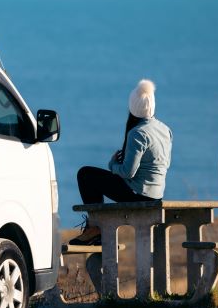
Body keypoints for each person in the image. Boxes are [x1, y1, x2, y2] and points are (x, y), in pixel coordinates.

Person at [71, 79, 173, 246]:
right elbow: (165, 163)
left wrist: (112, 165)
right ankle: (95, 228)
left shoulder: (137, 133)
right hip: (156, 194)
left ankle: (95, 227)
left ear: (132, 107)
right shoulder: (165, 129)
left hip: (138, 195)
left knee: (85, 174)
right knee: (91, 176)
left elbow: (128, 172)